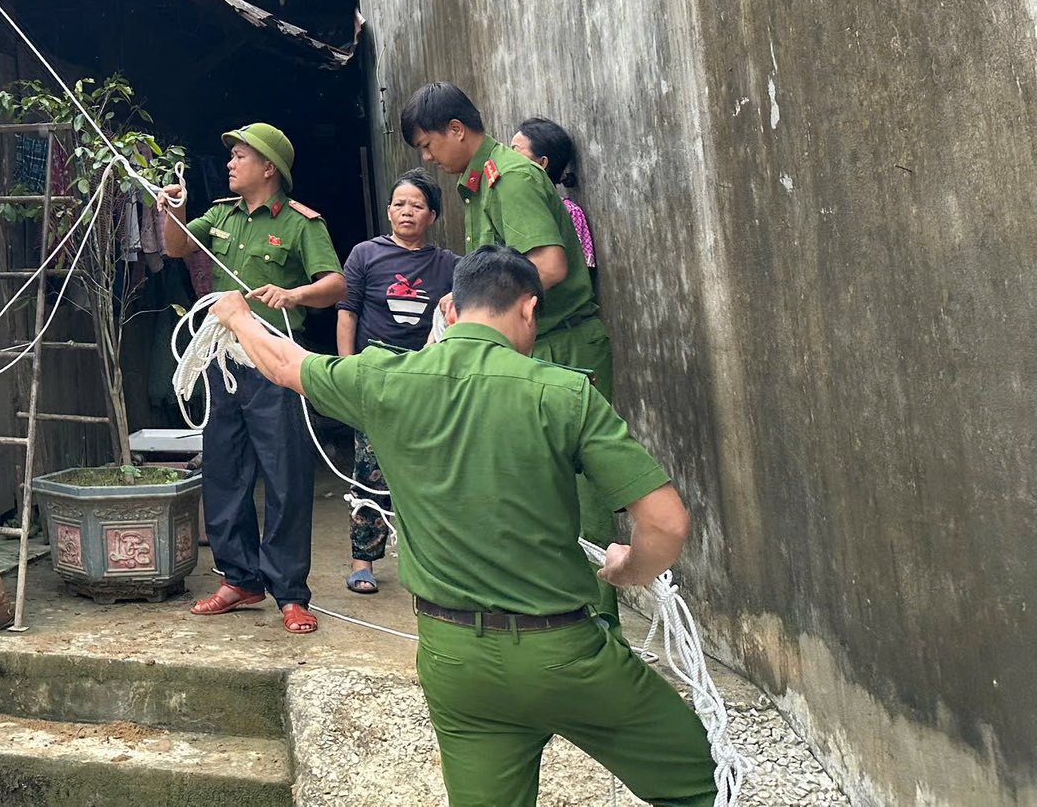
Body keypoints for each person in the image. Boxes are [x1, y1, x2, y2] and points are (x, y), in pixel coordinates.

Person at [208, 246, 718, 807]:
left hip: (454, 660)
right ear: (528, 311)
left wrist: (235, 315)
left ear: (448, 309)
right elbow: (666, 523)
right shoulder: (564, 392)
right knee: (703, 785)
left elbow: (284, 363)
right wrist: (627, 569)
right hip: (565, 655)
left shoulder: (384, 379)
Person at [399, 81, 620, 629]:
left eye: (429, 145)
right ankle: (551, 609)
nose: (427, 158)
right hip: (529, 346)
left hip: (563, 342)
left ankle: (599, 626)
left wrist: (479, 310)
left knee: (580, 484)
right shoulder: (478, 186)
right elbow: (500, 275)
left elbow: (548, 265)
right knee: (533, 479)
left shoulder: (512, 178)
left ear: (457, 130)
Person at [158, 123, 343, 634]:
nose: (231, 163)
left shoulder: (303, 224)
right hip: (223, 361)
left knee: (285, 474)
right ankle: (239, 579)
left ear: (269, 168)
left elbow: (336, 284)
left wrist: (296, 296)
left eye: (240, 156)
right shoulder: (219, 214)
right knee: (224, 469)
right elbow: (176, 248)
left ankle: (290, 592)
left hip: (277, 361)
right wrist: (170, 208)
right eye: (232, 155)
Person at [335, 170, 457, 594]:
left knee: (431, 472)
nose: (407, 212)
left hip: (426, 380)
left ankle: (432, 561)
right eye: (400, 204)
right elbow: (347, 311)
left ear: (433, 216)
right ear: (388, 210)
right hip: (375, 377)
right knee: (370, 471)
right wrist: (347, 370)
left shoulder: (450, 265)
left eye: (418, 206)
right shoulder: (366, 255)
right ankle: (362, 561)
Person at [512, 116, 594, 273]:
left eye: (515, 154)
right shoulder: (511, 205)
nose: (508, 163)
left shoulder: (570, 213)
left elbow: (582, 273)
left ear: (542, 163)